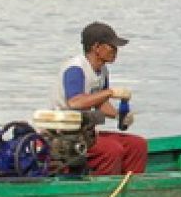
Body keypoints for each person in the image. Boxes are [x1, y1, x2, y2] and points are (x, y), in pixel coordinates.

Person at [53, 21, 148, 175]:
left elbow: (101, 104)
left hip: (85, 133)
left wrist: (118, 115)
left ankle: (129, 189)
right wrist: (110, 92)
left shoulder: (102, 71)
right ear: (96, 47)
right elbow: (75, 102)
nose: (116, 50)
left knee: (138, 145)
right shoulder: (76, 69)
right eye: (112, 46)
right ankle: (101, 191)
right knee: (112, 150)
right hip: (63, 134)